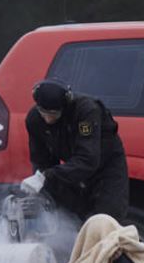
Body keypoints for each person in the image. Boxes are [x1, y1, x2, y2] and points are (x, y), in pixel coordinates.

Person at [21, 79, 129, 222]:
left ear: (64, 107)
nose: (47, 119)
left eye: (53, 114)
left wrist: (47, 175)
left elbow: (88, 160)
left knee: (105, 219)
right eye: (43, 113)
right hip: (71, 167)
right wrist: (39, 182)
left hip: (105, 167)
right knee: (67, 214)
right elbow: (41, 160)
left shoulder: (86, 111)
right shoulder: (34, 120)